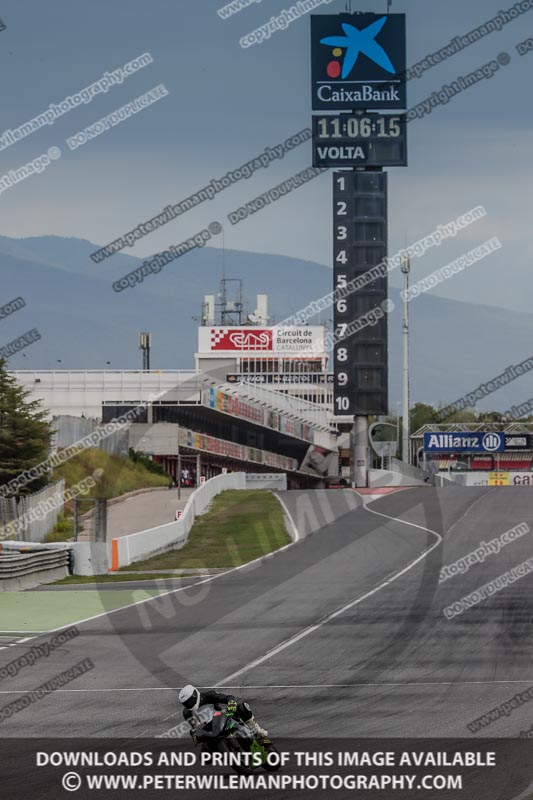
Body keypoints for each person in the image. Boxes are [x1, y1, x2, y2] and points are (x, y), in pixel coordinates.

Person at [178, 684, 268, 740]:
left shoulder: (209, 695)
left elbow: (228, 697)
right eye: (186, 703)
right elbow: (195, 728)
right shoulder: (187, 713)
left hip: (224, 716)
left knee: (242, 707)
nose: (189, 704)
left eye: (190, 701)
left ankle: (256, 730)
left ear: (195, 695)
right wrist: (195, 735)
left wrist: (231, 703)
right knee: (205, 755)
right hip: (210, 730)